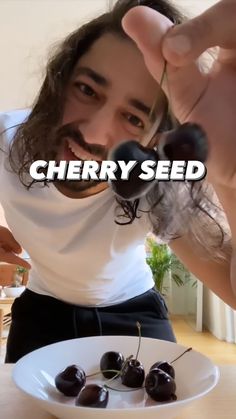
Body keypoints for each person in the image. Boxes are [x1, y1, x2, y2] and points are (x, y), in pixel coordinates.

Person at [0, 0, 235, 364]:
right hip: (40, 314)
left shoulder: (158, 184)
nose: (93, 134)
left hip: (134, 315)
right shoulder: (6, 140)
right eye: (88, 90)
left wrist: (232, 180)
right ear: (60, 81)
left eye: (134, 118)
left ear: (157, 141)